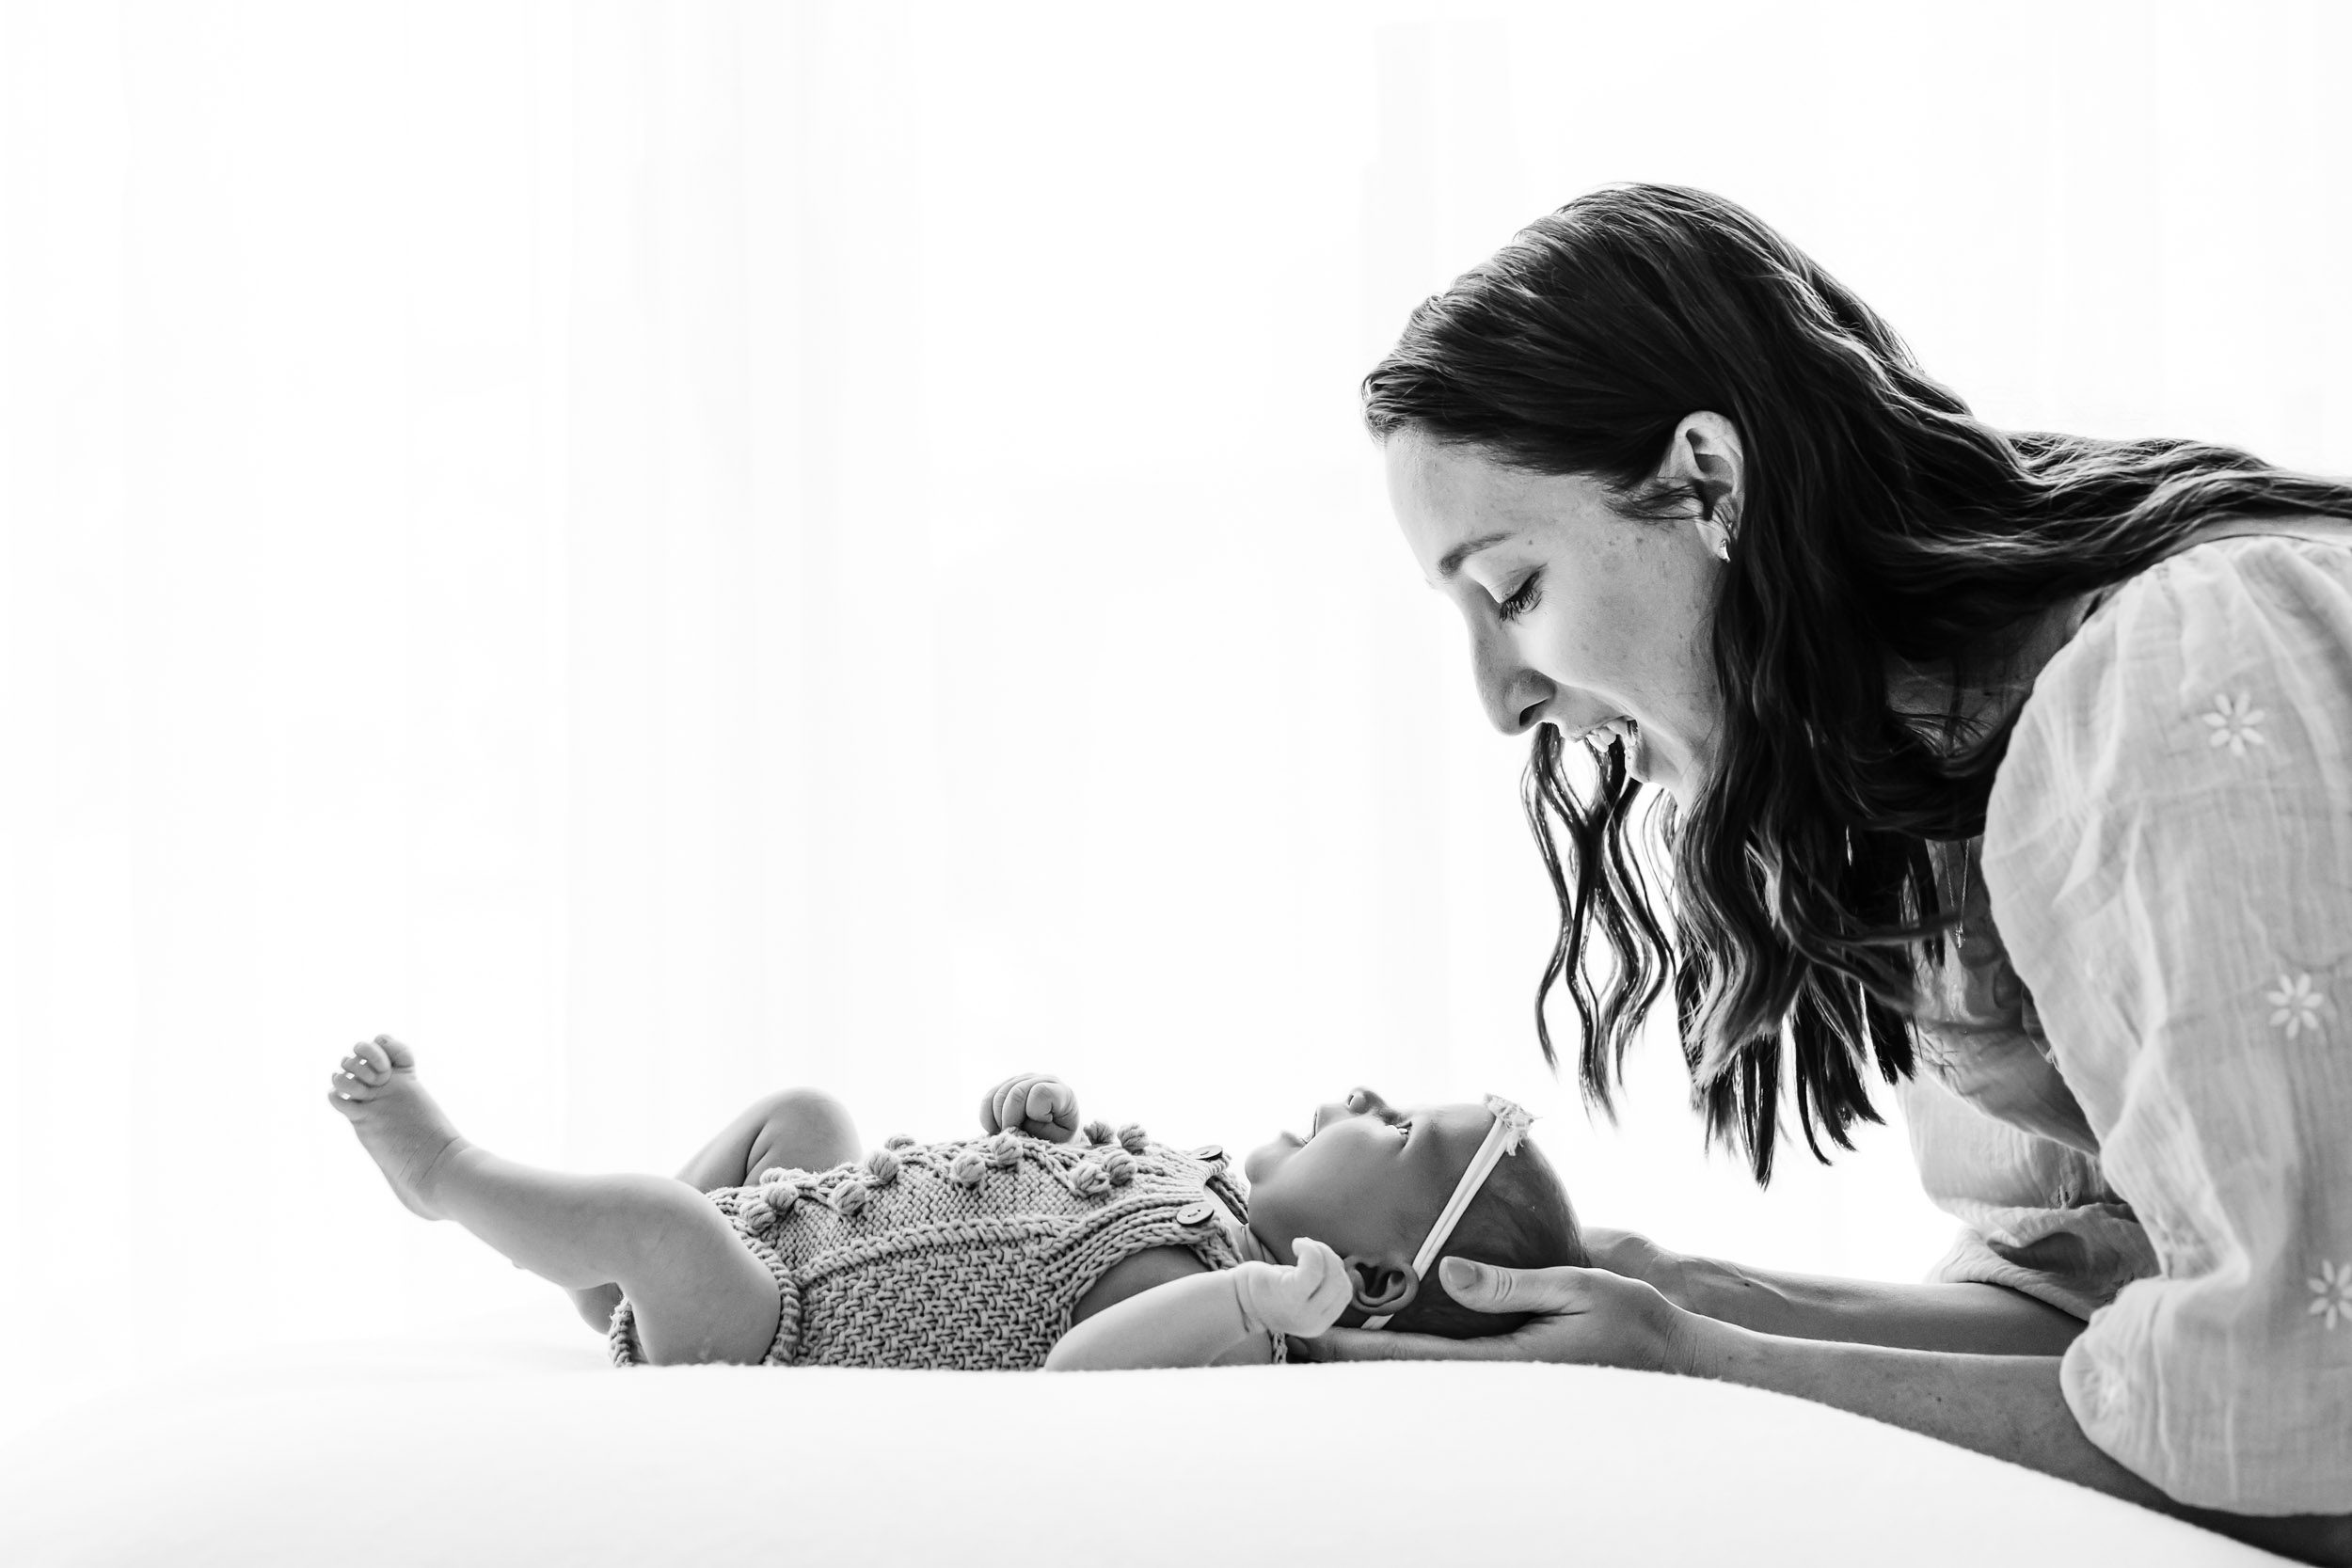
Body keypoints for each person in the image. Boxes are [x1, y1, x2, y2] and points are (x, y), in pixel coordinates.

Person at [1331, 182, 2352, 1564]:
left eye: (1512, 592)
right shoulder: (1938, 772)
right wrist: (1669, 1291)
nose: (1499, 702)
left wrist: (1713, 1369)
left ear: (1707, 478)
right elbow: (2104, 1324)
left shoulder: (2180, 688)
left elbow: (2307, 1436)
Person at [324, 1037, 1581, 1370]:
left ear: (1367, 1278)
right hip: (808, 1222)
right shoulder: (1198, 1191)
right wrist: (1021, 1117)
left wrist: (1256, 1300)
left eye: (1398, 1124)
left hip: (772, 1319)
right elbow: (1027, 1208)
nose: (1363, 1090)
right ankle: (601, 1279)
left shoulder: (1224, 1302)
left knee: (664, 1231)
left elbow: (1079, 1362)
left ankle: (448, 1179)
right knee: (804, 1118)